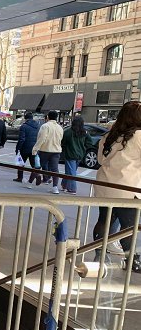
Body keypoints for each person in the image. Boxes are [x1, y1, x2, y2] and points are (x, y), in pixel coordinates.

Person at [93, 100, 141, 273]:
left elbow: (100, 160)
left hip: (105, 186)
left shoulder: (108, 136)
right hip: (127, 189)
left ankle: (99, 255)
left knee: (104, 220)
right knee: (129, 226)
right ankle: (132, 261)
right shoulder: (138, 136)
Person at [32, 110, 64, 194]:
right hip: (56, 151)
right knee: (55, 169)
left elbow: (41, 139)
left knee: (38, 166)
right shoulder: (60, 127)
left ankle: (30, 182)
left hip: (45, 150)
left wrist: (35, 149)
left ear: (47, 117)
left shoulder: (45, 126)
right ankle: (55, 187)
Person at [60, 115, 93, 195]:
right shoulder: (84, 132)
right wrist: (84, 148)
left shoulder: (68, 132)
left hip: (70, 154)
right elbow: (90, 142)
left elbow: (63, 143)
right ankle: (64, 185)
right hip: (80, 154)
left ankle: (72, 188)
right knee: (71, 171)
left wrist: (64, 149)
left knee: (71, 172)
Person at [14, 112, 42, 187]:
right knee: (34, 164)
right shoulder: (38, 126)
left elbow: (21, 139)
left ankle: (20, 177)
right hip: (34, 147)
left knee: (21, 163)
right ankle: (37, 174)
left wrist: (18, 148)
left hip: (25, 147)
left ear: (25, 118)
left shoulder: (24, 126)